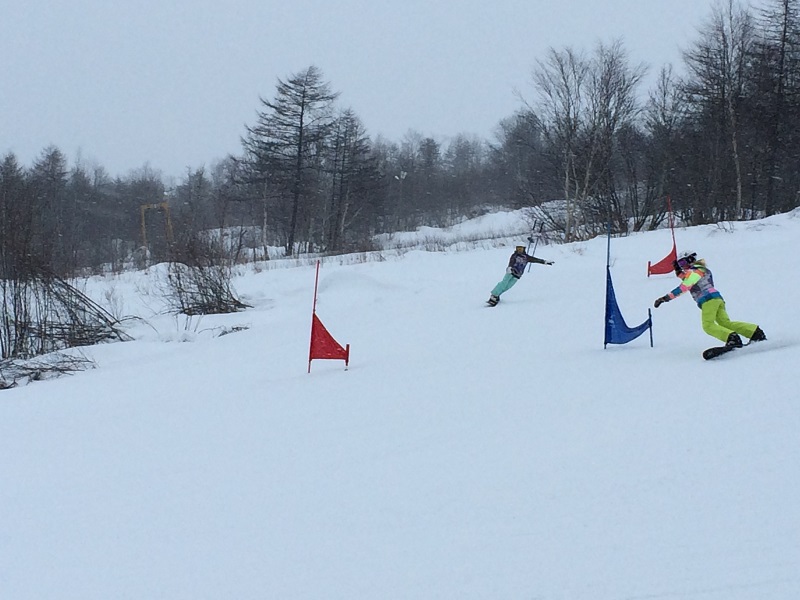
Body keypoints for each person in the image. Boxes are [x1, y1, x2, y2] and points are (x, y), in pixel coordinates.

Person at [653, 251, 766, 347]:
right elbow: (690, 279)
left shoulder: (694, 271)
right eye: (679, 264)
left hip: (707, 300)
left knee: (708, 325)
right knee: (724, 323)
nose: (682, 266)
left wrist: (665, 298)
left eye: (683, 262)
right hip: (716, 298)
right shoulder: (702, 270)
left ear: (690, 259)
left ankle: (732, 338)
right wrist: (678, 272)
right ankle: (754, 332)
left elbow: (686, 286)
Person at [487, 245, 554, 306]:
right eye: (518, 248)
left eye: (521, 248)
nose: (519, 250)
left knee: (508, 286)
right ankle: (494, 295)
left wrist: (544, 262)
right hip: (511, 272)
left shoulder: (526, 257)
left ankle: (497, 295)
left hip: (518, 275)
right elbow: (511, 261)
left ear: (524, 249)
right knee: (504, 283)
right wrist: (509, 267)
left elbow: (535, 260)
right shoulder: (514, 255)